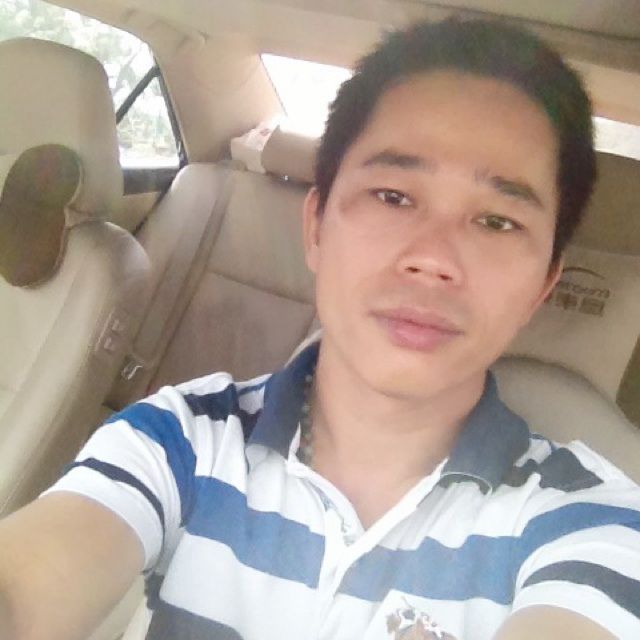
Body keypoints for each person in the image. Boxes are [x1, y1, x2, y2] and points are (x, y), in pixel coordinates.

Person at [1, 17, 639, 640]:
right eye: (393, 196)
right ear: (315, 229)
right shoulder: (177, 440)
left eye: (498, 222)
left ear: (542, 287)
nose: (433, 259)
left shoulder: (591, 523)